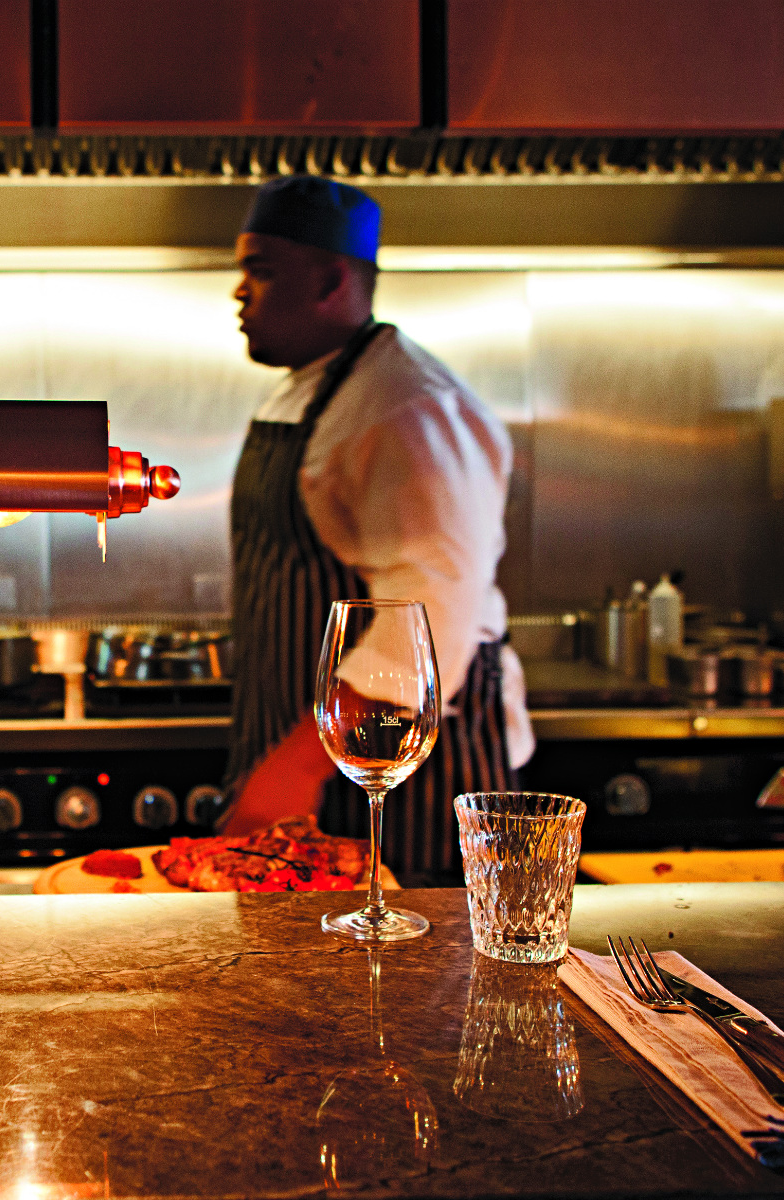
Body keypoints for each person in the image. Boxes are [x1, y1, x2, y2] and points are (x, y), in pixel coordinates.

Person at [218, 176, 533, 879]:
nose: (238, 293)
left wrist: (296, 771)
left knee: (409, 967)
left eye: (260, 272)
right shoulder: (318, 385)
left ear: (331, 279)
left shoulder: (407, 409)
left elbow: (427, 616)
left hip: (400, 772)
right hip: (313, 748)